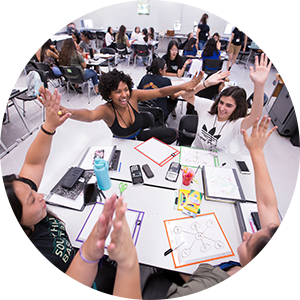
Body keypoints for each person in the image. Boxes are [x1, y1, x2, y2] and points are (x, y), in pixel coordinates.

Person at [2, 88, 142, 299]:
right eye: (31, 200)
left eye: (33, 190)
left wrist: (49, 127)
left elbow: (34, 162)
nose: (40, 195)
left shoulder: (21, 201)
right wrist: (90, 255)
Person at [142, 116, 280, 299]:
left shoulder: (208, 288)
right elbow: (268, 205)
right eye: (255, 232)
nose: (246, 234)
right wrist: (256, 152)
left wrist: (127, 261)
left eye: (248, 242)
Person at [45, 68, 203, 144]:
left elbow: (161, 92)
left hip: (140, 137)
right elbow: (90, 115)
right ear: (109, 94)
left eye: (126, 89)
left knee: (172, 133)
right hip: (122, 144)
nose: (124, 95)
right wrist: (68, 111)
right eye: (117, 91)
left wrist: (184, 86)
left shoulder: (133, 95)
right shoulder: (106, 110)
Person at [181, 53, 272, 152]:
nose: (222, 108)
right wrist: (206, 83)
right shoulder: (208, 106)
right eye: (221, 102)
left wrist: (259, 85)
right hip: (194, 153)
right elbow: (185, 95)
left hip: (217, 161)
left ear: (237, 108)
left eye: (229, 105)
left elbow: (255, 117)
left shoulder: (236, 124)